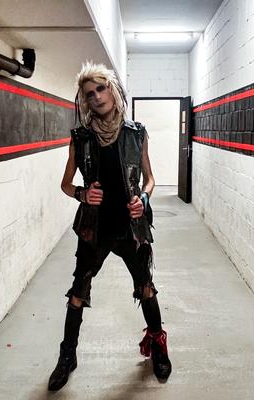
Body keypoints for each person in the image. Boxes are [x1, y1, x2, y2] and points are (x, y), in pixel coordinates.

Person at [48, 62, 172, 392]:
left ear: (112, 90)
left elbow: (150, 179)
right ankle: (67, 356)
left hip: (131, 227)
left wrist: (143, 199)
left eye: (101, 88)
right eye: (89, 94)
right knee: (78, 292)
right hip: (95, 228)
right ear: (85, 101)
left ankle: (158, 346)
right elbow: (65, 184)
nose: (97, 97)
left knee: (146, 287)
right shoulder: (81, 138)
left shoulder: (136, 133)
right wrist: (82, 193)